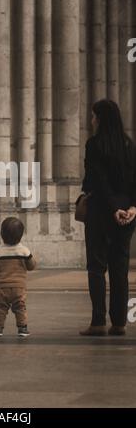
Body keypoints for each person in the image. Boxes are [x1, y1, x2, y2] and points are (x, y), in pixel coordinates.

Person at [80, 99, 136, 336]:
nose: (92, 121)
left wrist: (113, 207)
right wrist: (132, 206)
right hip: (126, 213)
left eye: (94, 116)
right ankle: (120, 323)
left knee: (96, 267)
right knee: (119, 268)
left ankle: (97, 322)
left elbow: (97, 181)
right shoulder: (128, 144)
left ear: (100, 119)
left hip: (100, 211)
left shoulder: (94, 145)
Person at [0, 217, 36, 337]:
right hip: (19, 288)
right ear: (21, 235)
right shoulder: (24, 251)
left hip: (1, 288)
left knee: (0, 308)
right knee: (20, 307)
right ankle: (23, 329)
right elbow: (31, 266)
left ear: (2, 234)